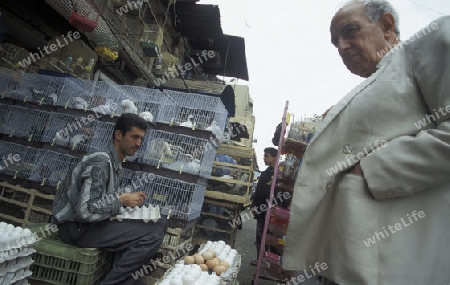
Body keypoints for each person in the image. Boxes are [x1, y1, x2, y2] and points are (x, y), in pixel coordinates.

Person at [283, 1, 450, 284]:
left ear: (386, 26)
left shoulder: (426, 44)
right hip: (354, 253)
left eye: (350, 31)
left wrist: (371, 169)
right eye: (336, 43)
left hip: (391, 261)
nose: (343, 47)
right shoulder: (382, 77)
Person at [52, 113, 167, 285]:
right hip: (76, 228)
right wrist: (121, 200)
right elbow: (85, 211)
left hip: (91, 223)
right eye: (134, 137)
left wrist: (127, 201)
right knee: (152, 235)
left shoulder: (115, 163)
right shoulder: (101, 162)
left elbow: (103, 200)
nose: (138, 143)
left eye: (141, 139)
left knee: (160, 222)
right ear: (118, 135)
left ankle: (127, 278)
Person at [250, 147, 277, 266]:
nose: (264, 158)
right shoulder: (266, 173)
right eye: (265, 156)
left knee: (271, 238)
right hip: (261, 211)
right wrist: (254, 206)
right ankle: (260, 259)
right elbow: (259, 192)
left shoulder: (277, 174)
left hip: (271, 212)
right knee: (260, 236)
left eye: (267, 156)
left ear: (275, 158)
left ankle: (270, 261)